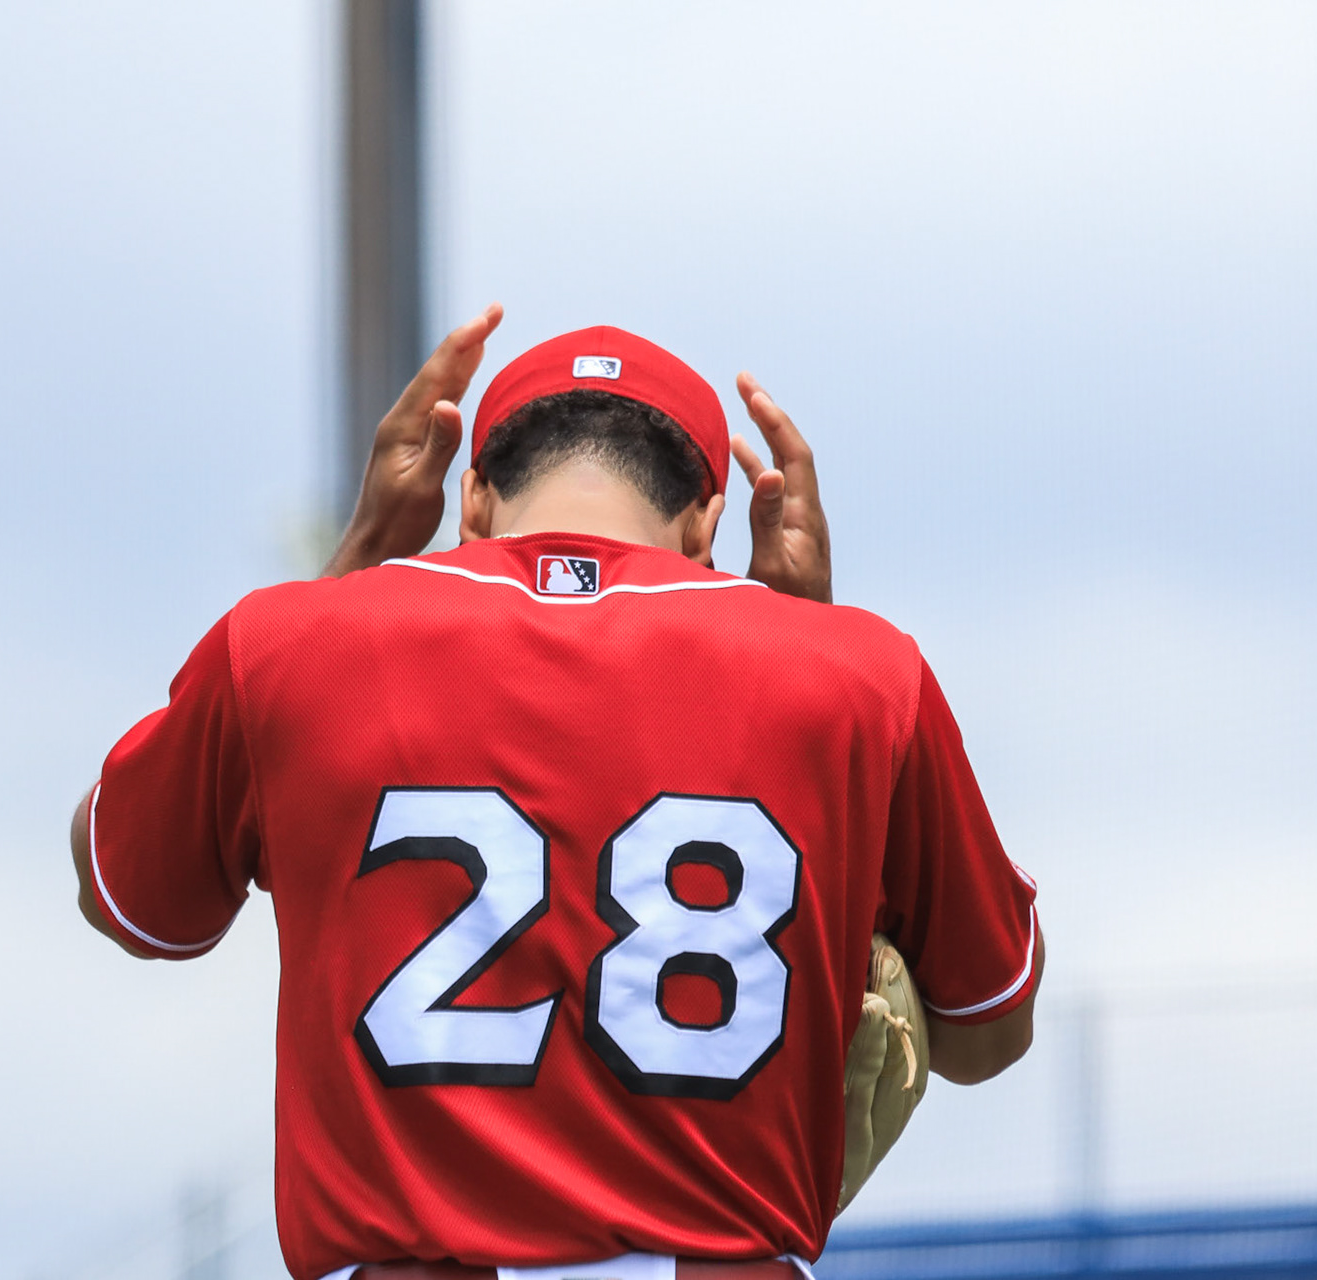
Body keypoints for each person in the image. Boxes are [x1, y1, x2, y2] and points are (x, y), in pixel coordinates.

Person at [69, 307, 1042, 1280]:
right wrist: (807, 647)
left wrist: (359, 553)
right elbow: (988, 1027)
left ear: (476, 500)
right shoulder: (863, 676)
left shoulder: (286, 645)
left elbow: (131, 895)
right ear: (710, 520)